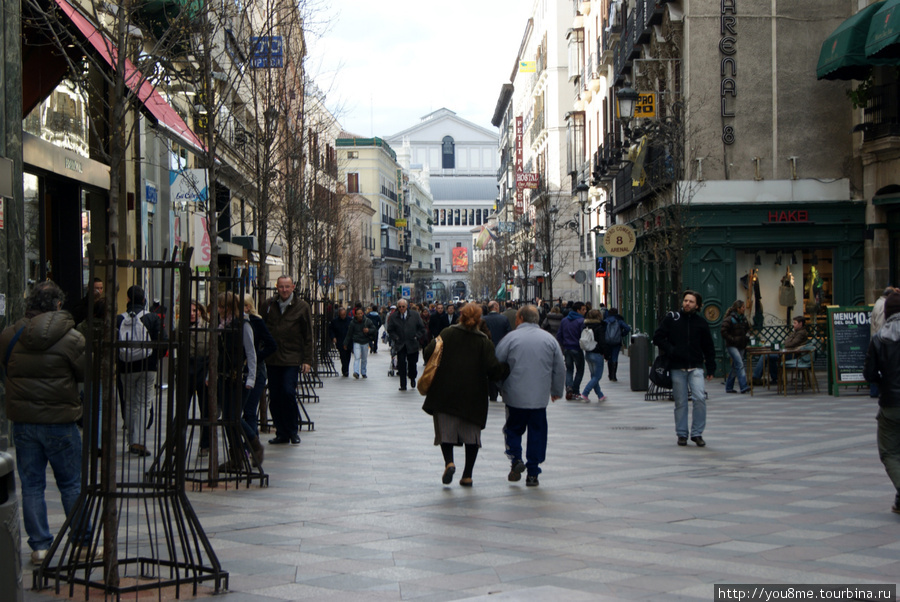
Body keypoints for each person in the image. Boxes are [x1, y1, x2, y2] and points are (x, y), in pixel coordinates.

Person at [0, 280, 87, 564]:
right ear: (58, 305)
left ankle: (39, 546)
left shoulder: (9, 335)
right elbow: (85, 372)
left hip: (24, 422)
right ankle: (82, 541)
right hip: (61, 420)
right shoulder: (72, 338)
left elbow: (5, 370)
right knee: (71, 483)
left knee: (32, 485)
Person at [421, 303, 508, 486]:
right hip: (473, 395)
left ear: (460, 316)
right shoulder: (484, 341)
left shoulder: (447, 333)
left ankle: (449, 462)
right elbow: (493, 370)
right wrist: (506, 368)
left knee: (445, 431)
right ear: (479, 319)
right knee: (472, 436)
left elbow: (428, 352)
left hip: (444, 392)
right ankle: (467, 475)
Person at [495, 305, 565, 486]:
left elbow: (497, 364)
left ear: (519, 318)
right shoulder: (549, 339)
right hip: (539, 398)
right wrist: (556, 390)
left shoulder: (510, 339)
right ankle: (533, 472)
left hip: (515, 396)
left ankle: (516, 459)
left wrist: (500, 386)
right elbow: (559, 367)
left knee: (512, 429)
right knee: (537, 433)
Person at [653, 290, 717, 447]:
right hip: (677, 367)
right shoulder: (673, 319)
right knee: (681, 402)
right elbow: (658, 337)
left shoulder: (701, 323)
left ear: (697, 305)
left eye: (691, 302)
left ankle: (697, 433)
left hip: (695, 367)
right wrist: (671, 350)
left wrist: (711, 366)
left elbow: (708, 346)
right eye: (686, 301)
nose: (687, 304)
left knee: (700, 398)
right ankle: (682, 434)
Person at [264, 275, 313, 445]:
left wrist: (307, 360)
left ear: (293, 287)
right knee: (275, 396)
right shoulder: (269, 305)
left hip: (292, 357)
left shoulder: (302, 306)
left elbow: (308, 335)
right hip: (272, 358)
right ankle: (281, 431)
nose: (284, 290)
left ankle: (292, 430)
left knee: (288, 391)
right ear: (277, 287)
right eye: (281, 287)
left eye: (287, 287)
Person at [863, 290, 900, 514]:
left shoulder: (879, 339)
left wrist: (883, 382)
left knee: (889, 452)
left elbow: (868, 373)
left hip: (891, 403)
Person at [117, 285, 163, 457]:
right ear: (144, 300)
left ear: (128, 300)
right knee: (144, 402)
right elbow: (162, 340)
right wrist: (154, 358)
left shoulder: (119, 319)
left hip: (126, 367)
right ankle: (140, 441)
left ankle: (131, 438)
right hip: (148, 366)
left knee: (129, 402)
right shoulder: (152, 318)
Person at [216, 292, 260, 470]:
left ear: (228, 308)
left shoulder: (243, 324)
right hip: (223, 376)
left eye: (221, 306)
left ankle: (254, 446)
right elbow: (217, 353)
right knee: (227, 418)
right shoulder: (220, 325)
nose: (218, 310)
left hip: (239, 378)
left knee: (233, 416)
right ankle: (236, 457)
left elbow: (251, 353)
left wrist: (251, 377)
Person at [243, 294, 277, 463]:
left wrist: (256, 356)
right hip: (241, 372)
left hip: (256, 371)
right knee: (241, 412)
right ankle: (247, 448)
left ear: (248, 307)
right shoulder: (232, 323)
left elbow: (272, 345)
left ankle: (253, 448)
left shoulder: (255, 321)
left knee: (249, 411)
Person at [751, 316, 809, 386]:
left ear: (800, 324)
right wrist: (788, 342)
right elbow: (786, 342)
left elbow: (791, 344)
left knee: (765, 356)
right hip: (789, 352)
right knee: (769, 357)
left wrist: (787, 343)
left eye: (795, 323)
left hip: (792, 354)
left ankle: (756, 378)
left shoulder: (801, 333)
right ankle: (776, 378)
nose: (793, 324)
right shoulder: (796, 332)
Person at [188, 300, 212, 456]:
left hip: (203, 368)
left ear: (200, 311)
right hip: (187, 368)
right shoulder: (180, 326)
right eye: (189, 310)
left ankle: (205, 444)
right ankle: (176, 442)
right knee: (182, 409)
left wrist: (209, 374)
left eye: (195, 310)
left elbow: (212, 352)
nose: (192, 313)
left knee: (205, 409)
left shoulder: (208, 327)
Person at [387, 299, 426, 391]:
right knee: (401, 364)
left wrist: (417, 336)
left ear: (407, 306)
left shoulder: (415, 315)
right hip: (400, 344)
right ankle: (403, 385)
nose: (401, 308)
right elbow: (390, 330)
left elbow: (421, 328)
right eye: (399, 307)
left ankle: (412, 377)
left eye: (403, 307)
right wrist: (395, 337)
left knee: (412, 363)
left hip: (412, 343)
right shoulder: (394, 317)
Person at [557, 301, 587, 400]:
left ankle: (569, 387)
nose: (585, 311)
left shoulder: (564, 320)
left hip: (567, 349)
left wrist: (564, 344)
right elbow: (583, 336)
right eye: (583, 309)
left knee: (569, 369)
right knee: (580, 370)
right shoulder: (581, 321)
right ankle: (575, 390)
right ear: (578, 310)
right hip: (577, 348)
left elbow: (559, 335)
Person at [483, 301, 512, 402]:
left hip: (487, 348)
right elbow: (509, 334)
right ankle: (501, 389)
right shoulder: (504, 319)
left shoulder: (483, 319)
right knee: (501, 369)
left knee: (490, 371)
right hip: (501, 347)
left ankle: (492, 393)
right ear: (495, 307)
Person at [721, 300, 751, 394]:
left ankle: (729, 387)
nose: (744, 309)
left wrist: (746, 337)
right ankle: (743, 386)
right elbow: (723, 331)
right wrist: (732, 339)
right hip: (732, 345)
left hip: (741, 344)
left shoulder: (743, 319)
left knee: (736, 366)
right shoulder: (730, 319)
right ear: (738, 308)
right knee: (740, 364)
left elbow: (747, 329)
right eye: (742, 307)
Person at [870, 287, 896, 398]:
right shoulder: (882, 305)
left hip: (878, 342)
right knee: (880, 367)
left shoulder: (879, 303)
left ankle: (875, 391)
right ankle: (875, 391)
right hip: (881, 343)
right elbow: (881, 326)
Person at [581, 309, 608, 402]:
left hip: (588, 353)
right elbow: (602, 342)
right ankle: (585, 393)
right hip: (597, 354)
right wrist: (606, 354)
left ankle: (600, 395)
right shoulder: (599, 327)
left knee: (594, 376)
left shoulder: (585, 326)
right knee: (597, 376)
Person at [344, 307, 375, 379]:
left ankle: (363, 372)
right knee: (357, 357)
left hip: (365, 342)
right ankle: (356, 372)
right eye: (358, 314)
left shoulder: (367, 321)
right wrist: (345, 343)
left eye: (361, 313)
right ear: (356, 315)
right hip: (356, 342)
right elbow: (349, 334)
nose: (360, 315)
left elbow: (374, 329)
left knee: (364, 358)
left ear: (363, 313)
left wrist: (368, 330)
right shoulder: (353, 323)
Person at [329, 307, 353, 377]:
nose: (343, 316)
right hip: (340, 340)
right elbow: (331, 330)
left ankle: (346, 368)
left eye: (344, 314)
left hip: (348, 341)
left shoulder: (350, 320)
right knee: (342, 355)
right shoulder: (335, 321)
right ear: (339, 314)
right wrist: (333, 337)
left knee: (348, 355)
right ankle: (345, 370)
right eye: (342, 315)